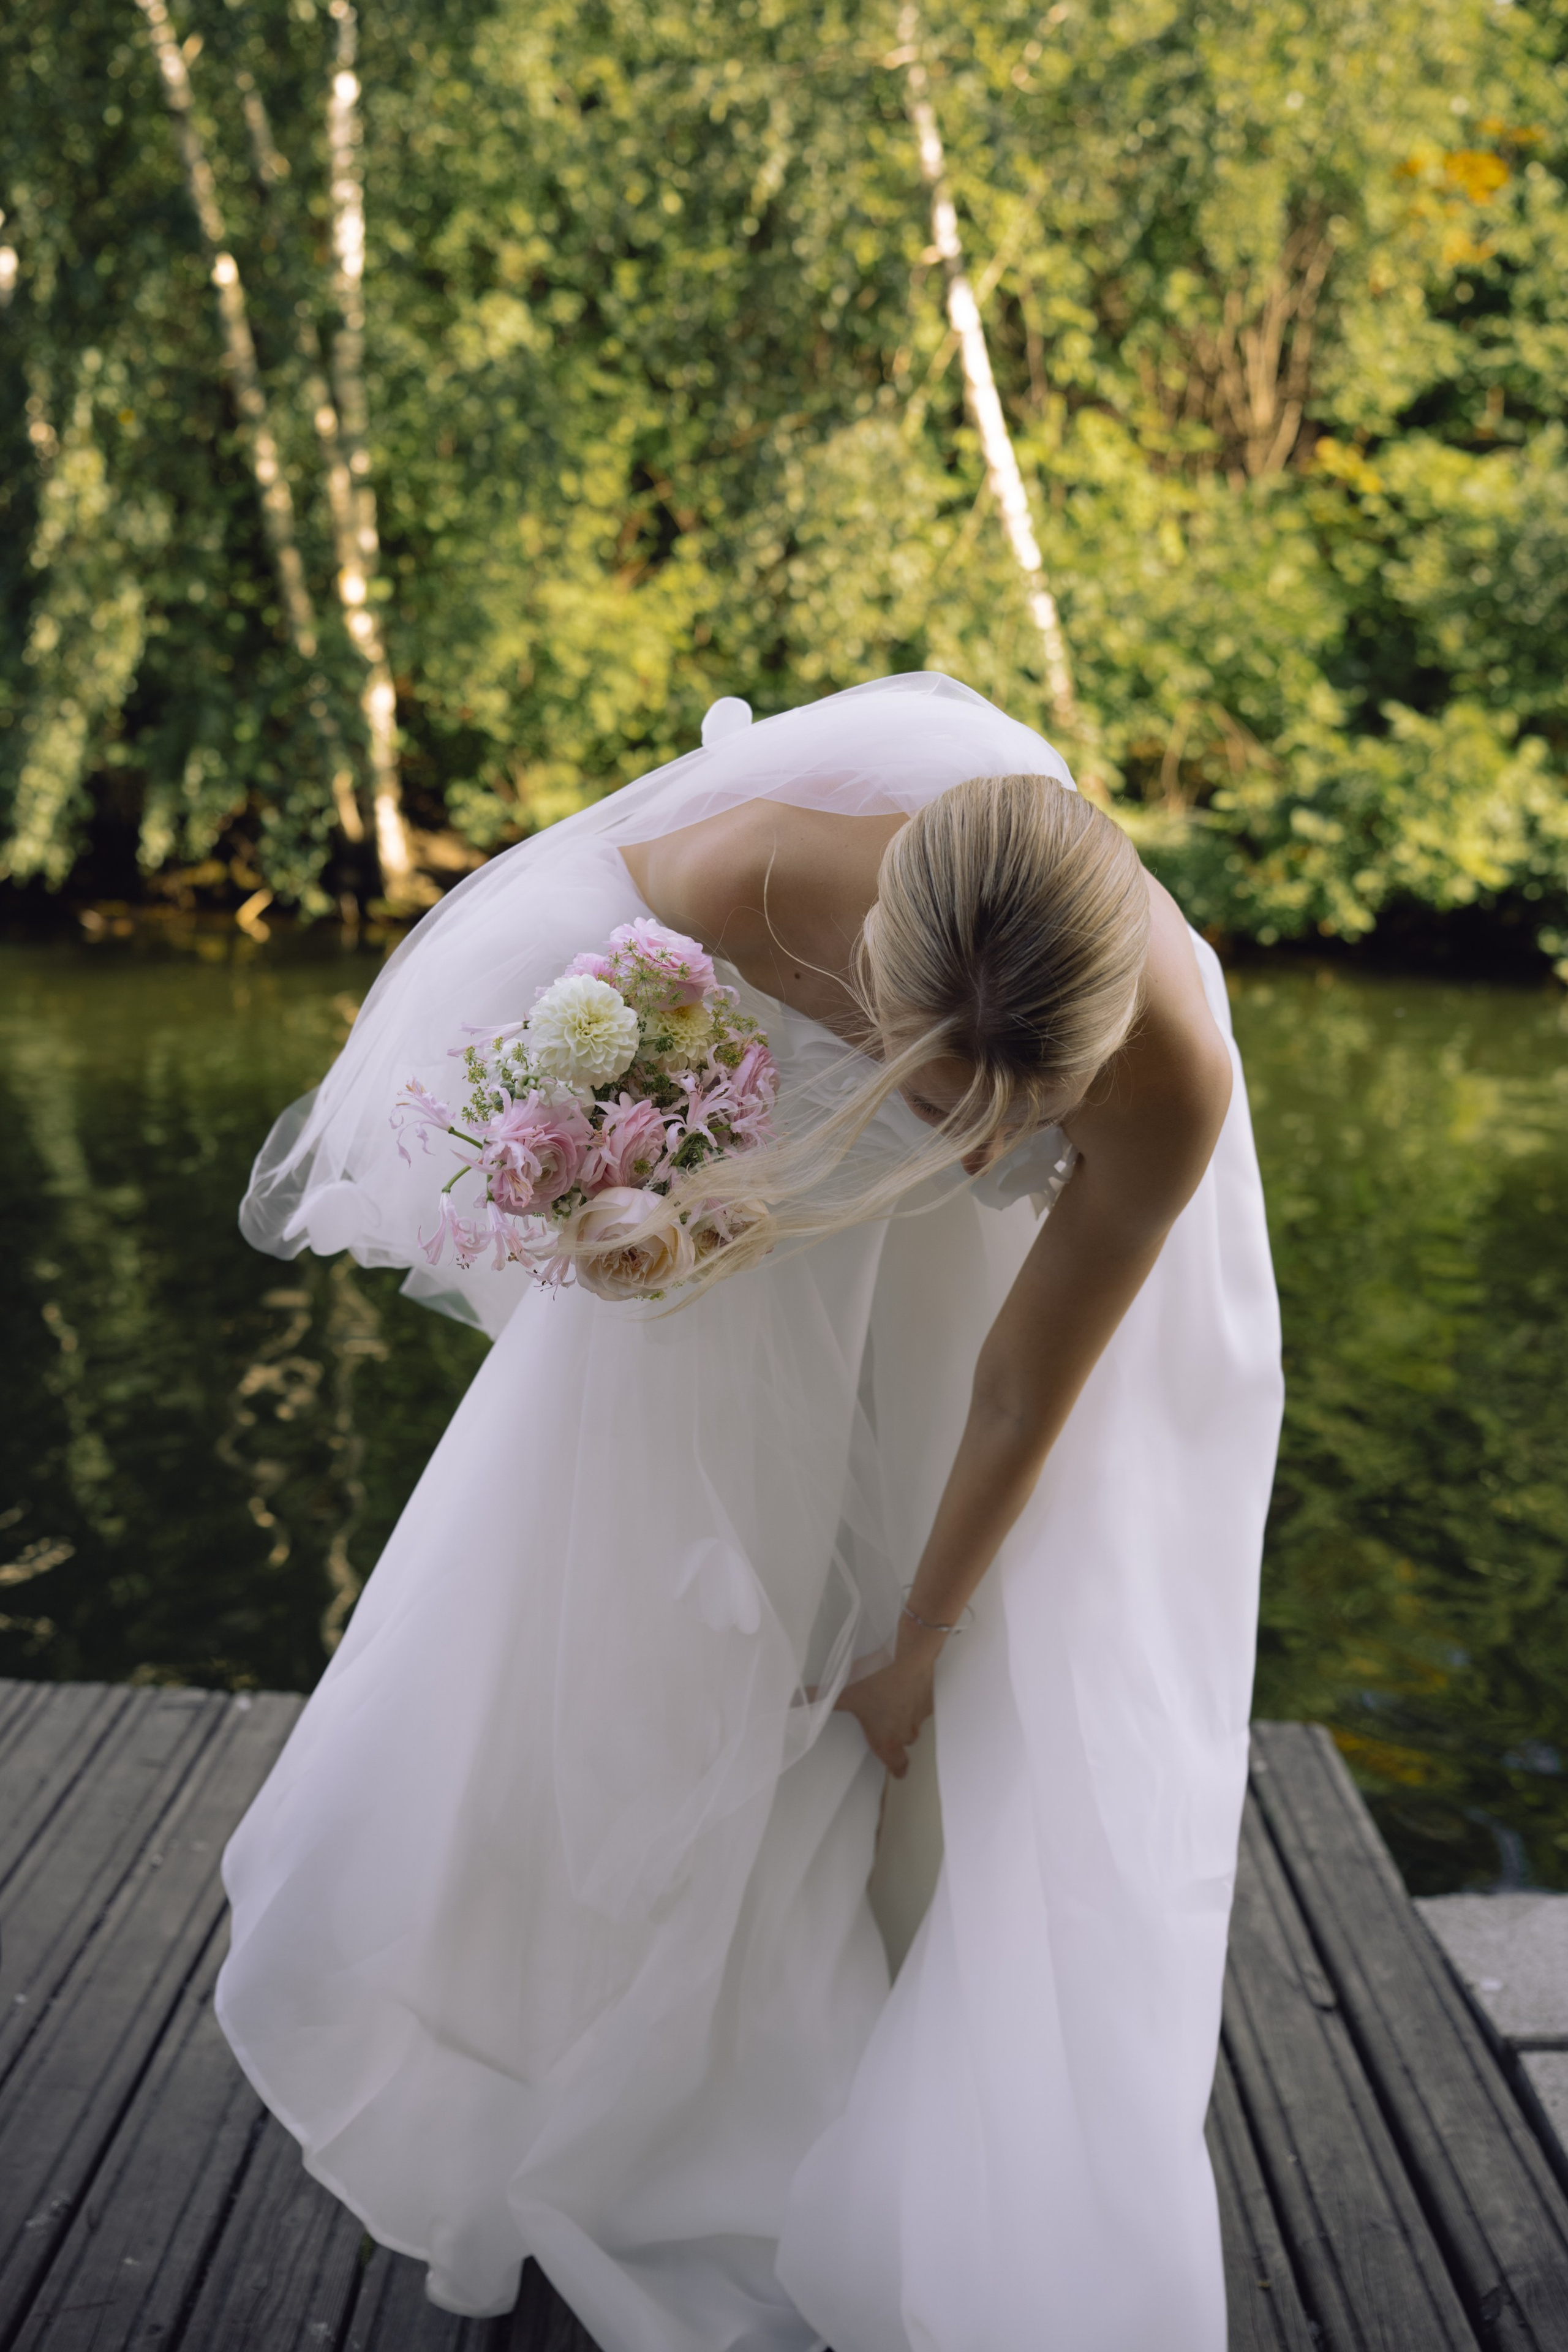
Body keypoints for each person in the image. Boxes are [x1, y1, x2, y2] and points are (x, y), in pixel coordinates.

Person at [219, 673, 1283, 2352]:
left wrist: (921, 1645)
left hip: (1054, 1286)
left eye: (1022, 1116)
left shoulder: (1167, 1080)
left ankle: (937, 2076)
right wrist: (634, 1195)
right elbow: (530, 1000)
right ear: (871, 962)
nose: (971, 1136)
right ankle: (618, 2046)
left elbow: (1020, 1381)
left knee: (1038, 1635)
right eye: (935, 1078)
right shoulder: (751, 874)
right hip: (784, 1151)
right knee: (688, 1598)